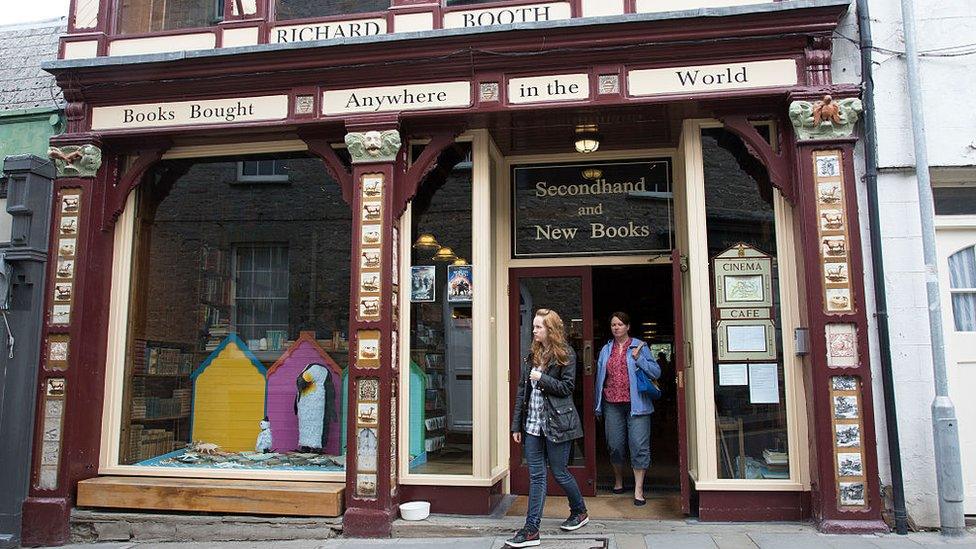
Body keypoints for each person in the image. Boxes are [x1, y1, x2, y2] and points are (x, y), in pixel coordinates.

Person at [507, 308, 588, 547]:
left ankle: (579, 511)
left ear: (550, 329)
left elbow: (567, 388)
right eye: (533, 327)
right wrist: (516, 425)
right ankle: (532, 529)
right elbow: (522, 392)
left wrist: (541, 378)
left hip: (558, 424)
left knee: (560, 472)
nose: (534, 331)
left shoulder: (566, 354)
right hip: (532, 425)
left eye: (538, 327)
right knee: (537, 476)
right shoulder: (531, 355)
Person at [595, 311, 661, 506]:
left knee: (639, 446)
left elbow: (656, 371)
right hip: (612, 403)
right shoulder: (606, 350)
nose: (616, 327)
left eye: (620, 324)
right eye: (613, 324)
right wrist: (597, 405)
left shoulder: (640, 346)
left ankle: (638, 489)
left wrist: (639, 359)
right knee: (614, 445)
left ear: (628, 327)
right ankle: (618, 480)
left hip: (637, 405)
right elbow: (599, 379)